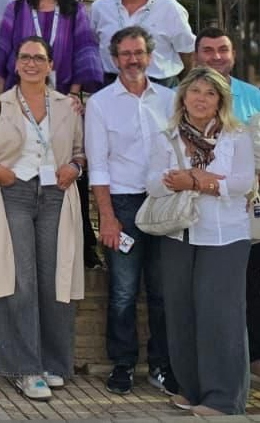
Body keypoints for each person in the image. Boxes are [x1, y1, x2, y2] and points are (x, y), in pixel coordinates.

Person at [0, 36, 84, 402]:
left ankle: (53, 362)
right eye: (25, 57)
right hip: (13, 191)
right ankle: (24, 368)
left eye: (39, 58)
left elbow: (80, 151)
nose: (32, 63)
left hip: (56, 195)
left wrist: (75, 167)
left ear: (50, 66)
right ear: (16, 65)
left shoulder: (68, 106)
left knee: (54, 279)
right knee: (19, 279)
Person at [193, 26, 260, 392]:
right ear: (196, 56)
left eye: (223, 50)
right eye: (208, 50)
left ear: (233, 54)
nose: (216, 57)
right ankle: (203, 367)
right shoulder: (184, 95)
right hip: (196, 212)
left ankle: (255, 361)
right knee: (200, 289)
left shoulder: (254, 98)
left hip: (247, 207)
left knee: (248, 286)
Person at [149, 67, 256, 416]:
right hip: (179, 232)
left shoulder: (237, 136)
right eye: (195, 91)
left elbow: (243, 182)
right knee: (181, 313)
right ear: (183, 97)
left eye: (209, 93)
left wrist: (200, 181)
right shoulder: (167, 137)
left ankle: (224, 399)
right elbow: (151, 183)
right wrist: (179, 181)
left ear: (221, 100)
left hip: (225, 235)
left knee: (219, 314)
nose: (201, 99)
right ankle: (191, 389)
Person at [84, 26, 176, 397]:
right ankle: (122, 364)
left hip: (164, 202)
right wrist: (106, 215)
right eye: (125, 54)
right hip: (122, 203)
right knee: (122, 291)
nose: (133, 60)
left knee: (162, 291)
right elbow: (98, 164)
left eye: (139, 53)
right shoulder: (101, 103)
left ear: (150, 57)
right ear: (115, 58)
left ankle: (161, 366)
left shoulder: (171, 99)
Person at [0, 0, 103, 97]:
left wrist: (73, 93)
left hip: (62, 95)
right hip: (19, 95)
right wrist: (0, 97)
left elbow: (83, 51)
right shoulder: (15, 9)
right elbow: (3, 56)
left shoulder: (74, 10)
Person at [92, 0, 196, 86]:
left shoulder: (170, 8)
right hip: (111, 85)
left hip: (160, 86)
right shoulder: (100, 8)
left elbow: (187, 51)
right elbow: (92, 45)